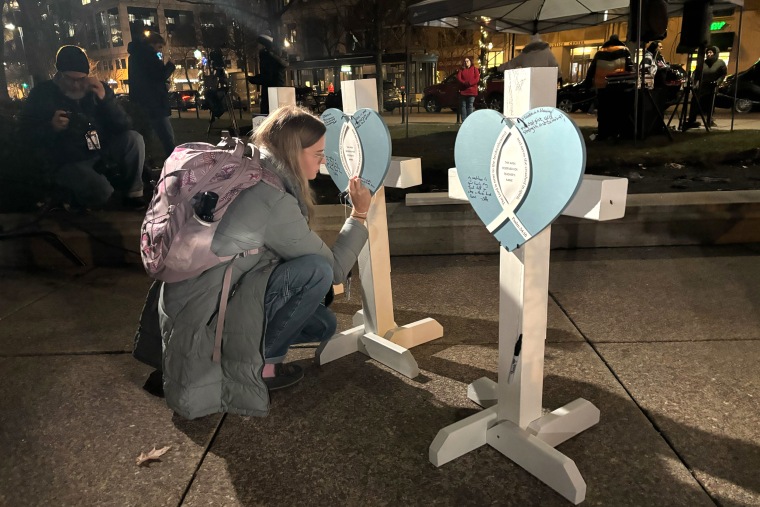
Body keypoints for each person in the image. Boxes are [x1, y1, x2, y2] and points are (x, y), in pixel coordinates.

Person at [158, 106, 371, 419]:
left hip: (195, 296)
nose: (323, 161)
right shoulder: (271, 196)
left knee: (323, 324)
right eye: (318, 153)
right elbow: (335, 270)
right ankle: (264, 368)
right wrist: (359, 214)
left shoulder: (251, 163)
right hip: (209, 312)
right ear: (294, 152)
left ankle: (254, 347)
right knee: (316, 271)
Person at [20, 45, 145, 209]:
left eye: (81, 79)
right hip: (68, 159)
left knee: (134, 139)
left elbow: (124, 126)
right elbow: (26, 134)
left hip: (100, 152)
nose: (75, 85)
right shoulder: (43, 94)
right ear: (59, 75)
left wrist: (105, 100)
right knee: (102, 192)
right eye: (70, 79)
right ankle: (70, 199)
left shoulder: (97, 89)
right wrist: (52, 128)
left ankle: (133, 196)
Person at [127, 32, 176, 159]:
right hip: (155, 104)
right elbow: (159, 76)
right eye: (159, 46)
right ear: (152, 44)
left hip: (143, 102)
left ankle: (146, 161)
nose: (159, 50)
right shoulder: (148, 55)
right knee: (167, 136)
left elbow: (149, 78)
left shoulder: (135, 55)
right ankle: (174, 162)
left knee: (147, 136)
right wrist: (170, 66)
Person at [583, 35, 633, 140]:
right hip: (619, 86)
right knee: (618, 111)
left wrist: (587, 84)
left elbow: (592, 69)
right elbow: (630, 68)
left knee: (604, 112)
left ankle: (603, 133)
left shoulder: (600, 52)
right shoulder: (624, 50)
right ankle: (617, 133)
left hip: (602, 87)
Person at [685, 46, 727, 129]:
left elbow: (723, 74)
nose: (709, 54)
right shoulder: (703, 63)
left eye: (711, 52)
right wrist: (694, 82)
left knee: (710, 104)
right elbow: (695, 73)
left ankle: (709, 120)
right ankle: (692, 120)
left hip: (712, 86)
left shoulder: (720, 63)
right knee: (695, 102)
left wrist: (717, 82)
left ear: (715, 54)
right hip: (702, 86)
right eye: (708, 53)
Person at [248, 34, 289, 115]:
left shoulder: (265, 56)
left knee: (268, 116)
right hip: (278, 89)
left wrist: (252, 79)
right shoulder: (275, 56)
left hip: (269, 92)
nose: (257, 46)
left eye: (258, 44)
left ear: (263, 45)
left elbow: (267, 76)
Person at [456, 57, 480, 121]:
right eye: (465, 61)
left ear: (470, 61)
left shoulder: (475, 69)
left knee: (470, 106)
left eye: (468, 61)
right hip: (463, 91)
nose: (466, 62)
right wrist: (464, 83)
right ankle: (464, 121)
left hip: (472, 91)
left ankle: (469, 121)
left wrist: (470, 83)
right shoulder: (461, 70)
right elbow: (459, 78)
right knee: (463, 106)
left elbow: (477, 78)